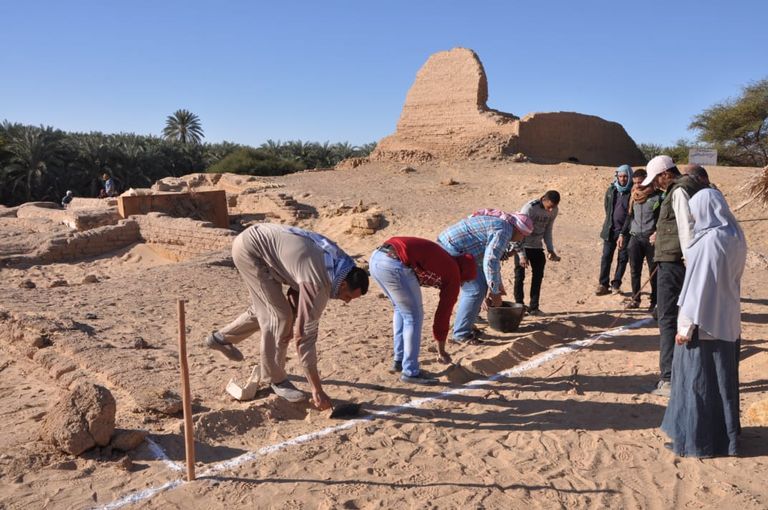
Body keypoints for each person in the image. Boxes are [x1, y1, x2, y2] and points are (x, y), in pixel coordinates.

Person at [203, 223, 369, 410]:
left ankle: (220, 339)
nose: (346, 302)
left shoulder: (342, 264)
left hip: (262, 245)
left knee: (268, 308)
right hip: (251, 252)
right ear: (344, 284)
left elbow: (296, 290)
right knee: (279, 317)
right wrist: (317, 389)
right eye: (347, 297)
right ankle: (276, 380)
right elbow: (305, 338)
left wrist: (293, 322)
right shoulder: (318, 282)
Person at [660, 188, 746, 457]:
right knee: (722, 384)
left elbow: (697, 288)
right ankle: (725, 438)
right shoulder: (735, 235)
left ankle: (698, 441)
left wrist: (684, 328)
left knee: (698, 384)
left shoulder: (709, 242)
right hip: (728, 320)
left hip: (704, 324)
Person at [369, 237, 477, 384]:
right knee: (413, 317)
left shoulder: (445, 259)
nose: (463, 284)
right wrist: (441, 350)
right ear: (463, 272)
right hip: (394, 263)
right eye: (466, 280)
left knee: (400, 309)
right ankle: (411, 372)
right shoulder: (453, 273)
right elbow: (443, 315)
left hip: (376, 258)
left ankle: (399, 361)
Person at [641, 155, 705, 397]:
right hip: (683, 262)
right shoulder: (694, 186)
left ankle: (668, 379)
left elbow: (687, 228)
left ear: (665, 173)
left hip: (675, 264)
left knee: (667, 319)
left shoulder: (678, 191)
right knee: (688, 319)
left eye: (656, 179)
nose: (656, 184)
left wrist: (690, 262)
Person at [437, 209, 533, 344]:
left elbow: (490, 263)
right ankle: (461, 334)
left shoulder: (503, 225)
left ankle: (466, 325)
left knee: (480, 287)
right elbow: (491, 261)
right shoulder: (504, 231)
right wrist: (495, 292)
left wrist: (495, 287)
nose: (522, 239)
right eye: (523, 235)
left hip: (461, 251)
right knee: (475, 290)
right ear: (518, 230)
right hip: (451, 250)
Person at [618, 169, 662, 311]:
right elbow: (630, 217)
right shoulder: (633, 197)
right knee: (634, 270)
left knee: (653, 271)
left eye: (640, 182)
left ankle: (654, 301)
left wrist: (657, 232)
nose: (637, 185)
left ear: (647, 180)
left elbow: (663, 218)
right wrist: (622, 234)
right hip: (635, 238)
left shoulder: (658, 197)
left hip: (651, 239)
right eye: (635, 182)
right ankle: (635, 299)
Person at [511, 190, 561, 316]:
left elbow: (548, 230)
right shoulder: (529, 208)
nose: (551, 210)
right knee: (519, 276)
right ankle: (519, 306)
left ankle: (534, 307)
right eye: (549, 207)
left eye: (553, 207)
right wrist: (521, 255)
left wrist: (550, 249)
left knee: (538, 276)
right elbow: (518, 230)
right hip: (522, 245)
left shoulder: (554, 210)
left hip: (537, 246)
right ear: (544, 199)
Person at [596, 165, 633, 295]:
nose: (623, 179)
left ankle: (616, 284)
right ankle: (603, 284)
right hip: (610, 229)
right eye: (621, 176)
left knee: (622, 258)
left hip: (626, 231)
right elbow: (607, 208)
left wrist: (623, 232)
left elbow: (631, 214)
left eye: (625, 176)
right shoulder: (611, 190)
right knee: (606, 257)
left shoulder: (633, 192)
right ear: (617, 176)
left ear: (630, 177)